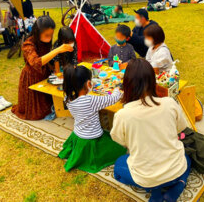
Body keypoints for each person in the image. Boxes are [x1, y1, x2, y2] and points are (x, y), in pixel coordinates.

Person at [111, 59, 192, 202]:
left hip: (146, 177)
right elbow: (181, 128)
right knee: (186, 159)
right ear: (153, 81)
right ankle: (178, 186)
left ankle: (154, 190)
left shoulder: (123, 115)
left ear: (127, 85)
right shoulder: (169, 103)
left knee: (118, 166)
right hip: (175, 170)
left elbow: (119, 140)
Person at [57, 65, 127, 173]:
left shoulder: (67, 97)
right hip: (92, 138)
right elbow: (112, 99)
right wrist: (117, 89)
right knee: (119, 149)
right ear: (88, 83)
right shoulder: (90, 100)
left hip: (78, 133)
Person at [12, 16, 75, 120]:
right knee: (37, 113)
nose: (49, 38)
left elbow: (48, 58)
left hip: (43, 74)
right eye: (47, 35)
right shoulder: (28, 44)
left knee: (48, 105)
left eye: (51, 35)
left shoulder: (44, 41)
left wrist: (55, 70)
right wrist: (57, 50)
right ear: (37, 32)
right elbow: (36, 63)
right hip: (31, 77)